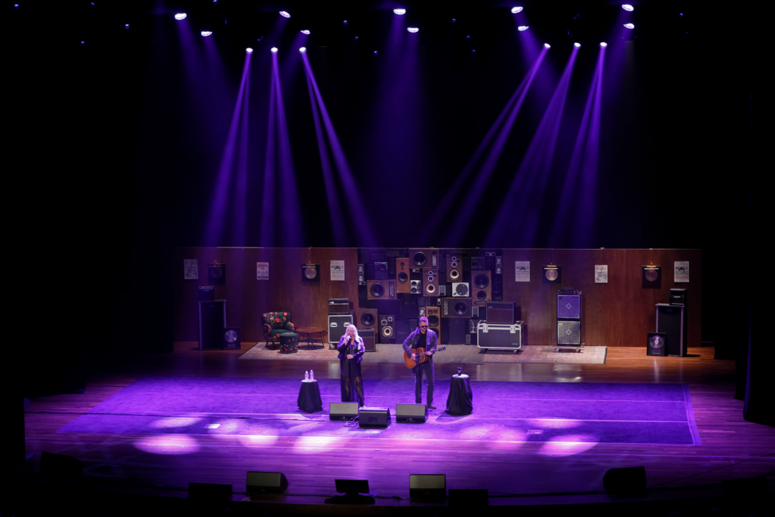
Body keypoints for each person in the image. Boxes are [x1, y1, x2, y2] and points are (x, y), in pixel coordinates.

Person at [402, 316, 438, 409]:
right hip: (417, 362)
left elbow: (434, 346)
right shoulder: (414, 334)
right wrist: (411, 354)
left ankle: (429, 403)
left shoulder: (432, 334)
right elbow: (405, 344)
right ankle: (418, 403)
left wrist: (432, 350)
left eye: (426, 326)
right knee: (418, 382)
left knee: (431, 383)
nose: (425, 328)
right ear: (419, 325)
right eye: (423, 326)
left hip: (428, 361)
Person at [336, 324, 365, 407]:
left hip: (354, 363)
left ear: (354, 332)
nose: (349, 332)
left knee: (357, 382)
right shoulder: (343, 338)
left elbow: (362, 350)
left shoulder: (359, 339)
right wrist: (345, 343)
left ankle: (361, 403)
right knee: (347, 383)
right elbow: (339, 349)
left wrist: (353, 356)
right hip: (345, 363)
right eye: (348, 330)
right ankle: (347, 403)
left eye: (351, 331)